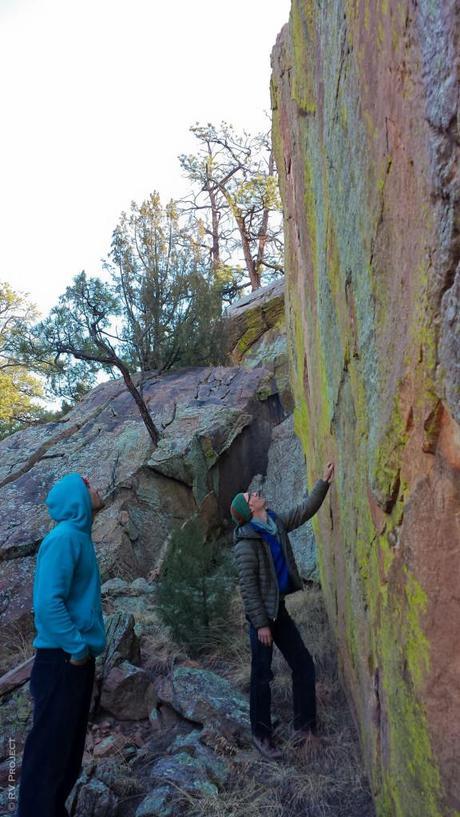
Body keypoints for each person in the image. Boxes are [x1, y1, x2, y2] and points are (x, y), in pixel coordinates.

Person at [17, 472, 107, 817]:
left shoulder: (78, 538)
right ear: (77, 497)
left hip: (72, 661)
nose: (98, 489)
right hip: (62, 661)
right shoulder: (65, 538)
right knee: (49, 755)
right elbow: (47, 604)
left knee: (66, 755)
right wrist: (77, 649)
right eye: (91, 485)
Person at [231, 462, 335, 760]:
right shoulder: (245, 544)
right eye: (250, 497)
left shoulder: (274, 524)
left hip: (279, 611)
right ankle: (261, 735)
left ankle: (305, 728)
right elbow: (248, 588)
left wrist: (323, 482)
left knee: (302, 664)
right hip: (262, 620)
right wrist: (261, 624)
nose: (256, 494)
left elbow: (303, 511)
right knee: (262, 676)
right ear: (249, 510)